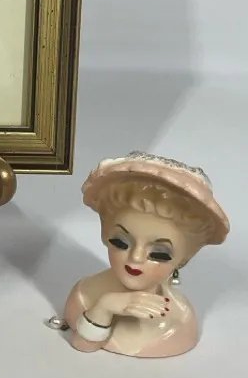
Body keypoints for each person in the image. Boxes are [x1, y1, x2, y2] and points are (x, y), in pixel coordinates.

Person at [61, 151, 230, 358]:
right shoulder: (83, 296)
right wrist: (104, 307)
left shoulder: (180, 320)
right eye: (121, 243)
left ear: (183, 258)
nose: (136, 258)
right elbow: (84, 344)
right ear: (105, 234)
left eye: (158, 254)